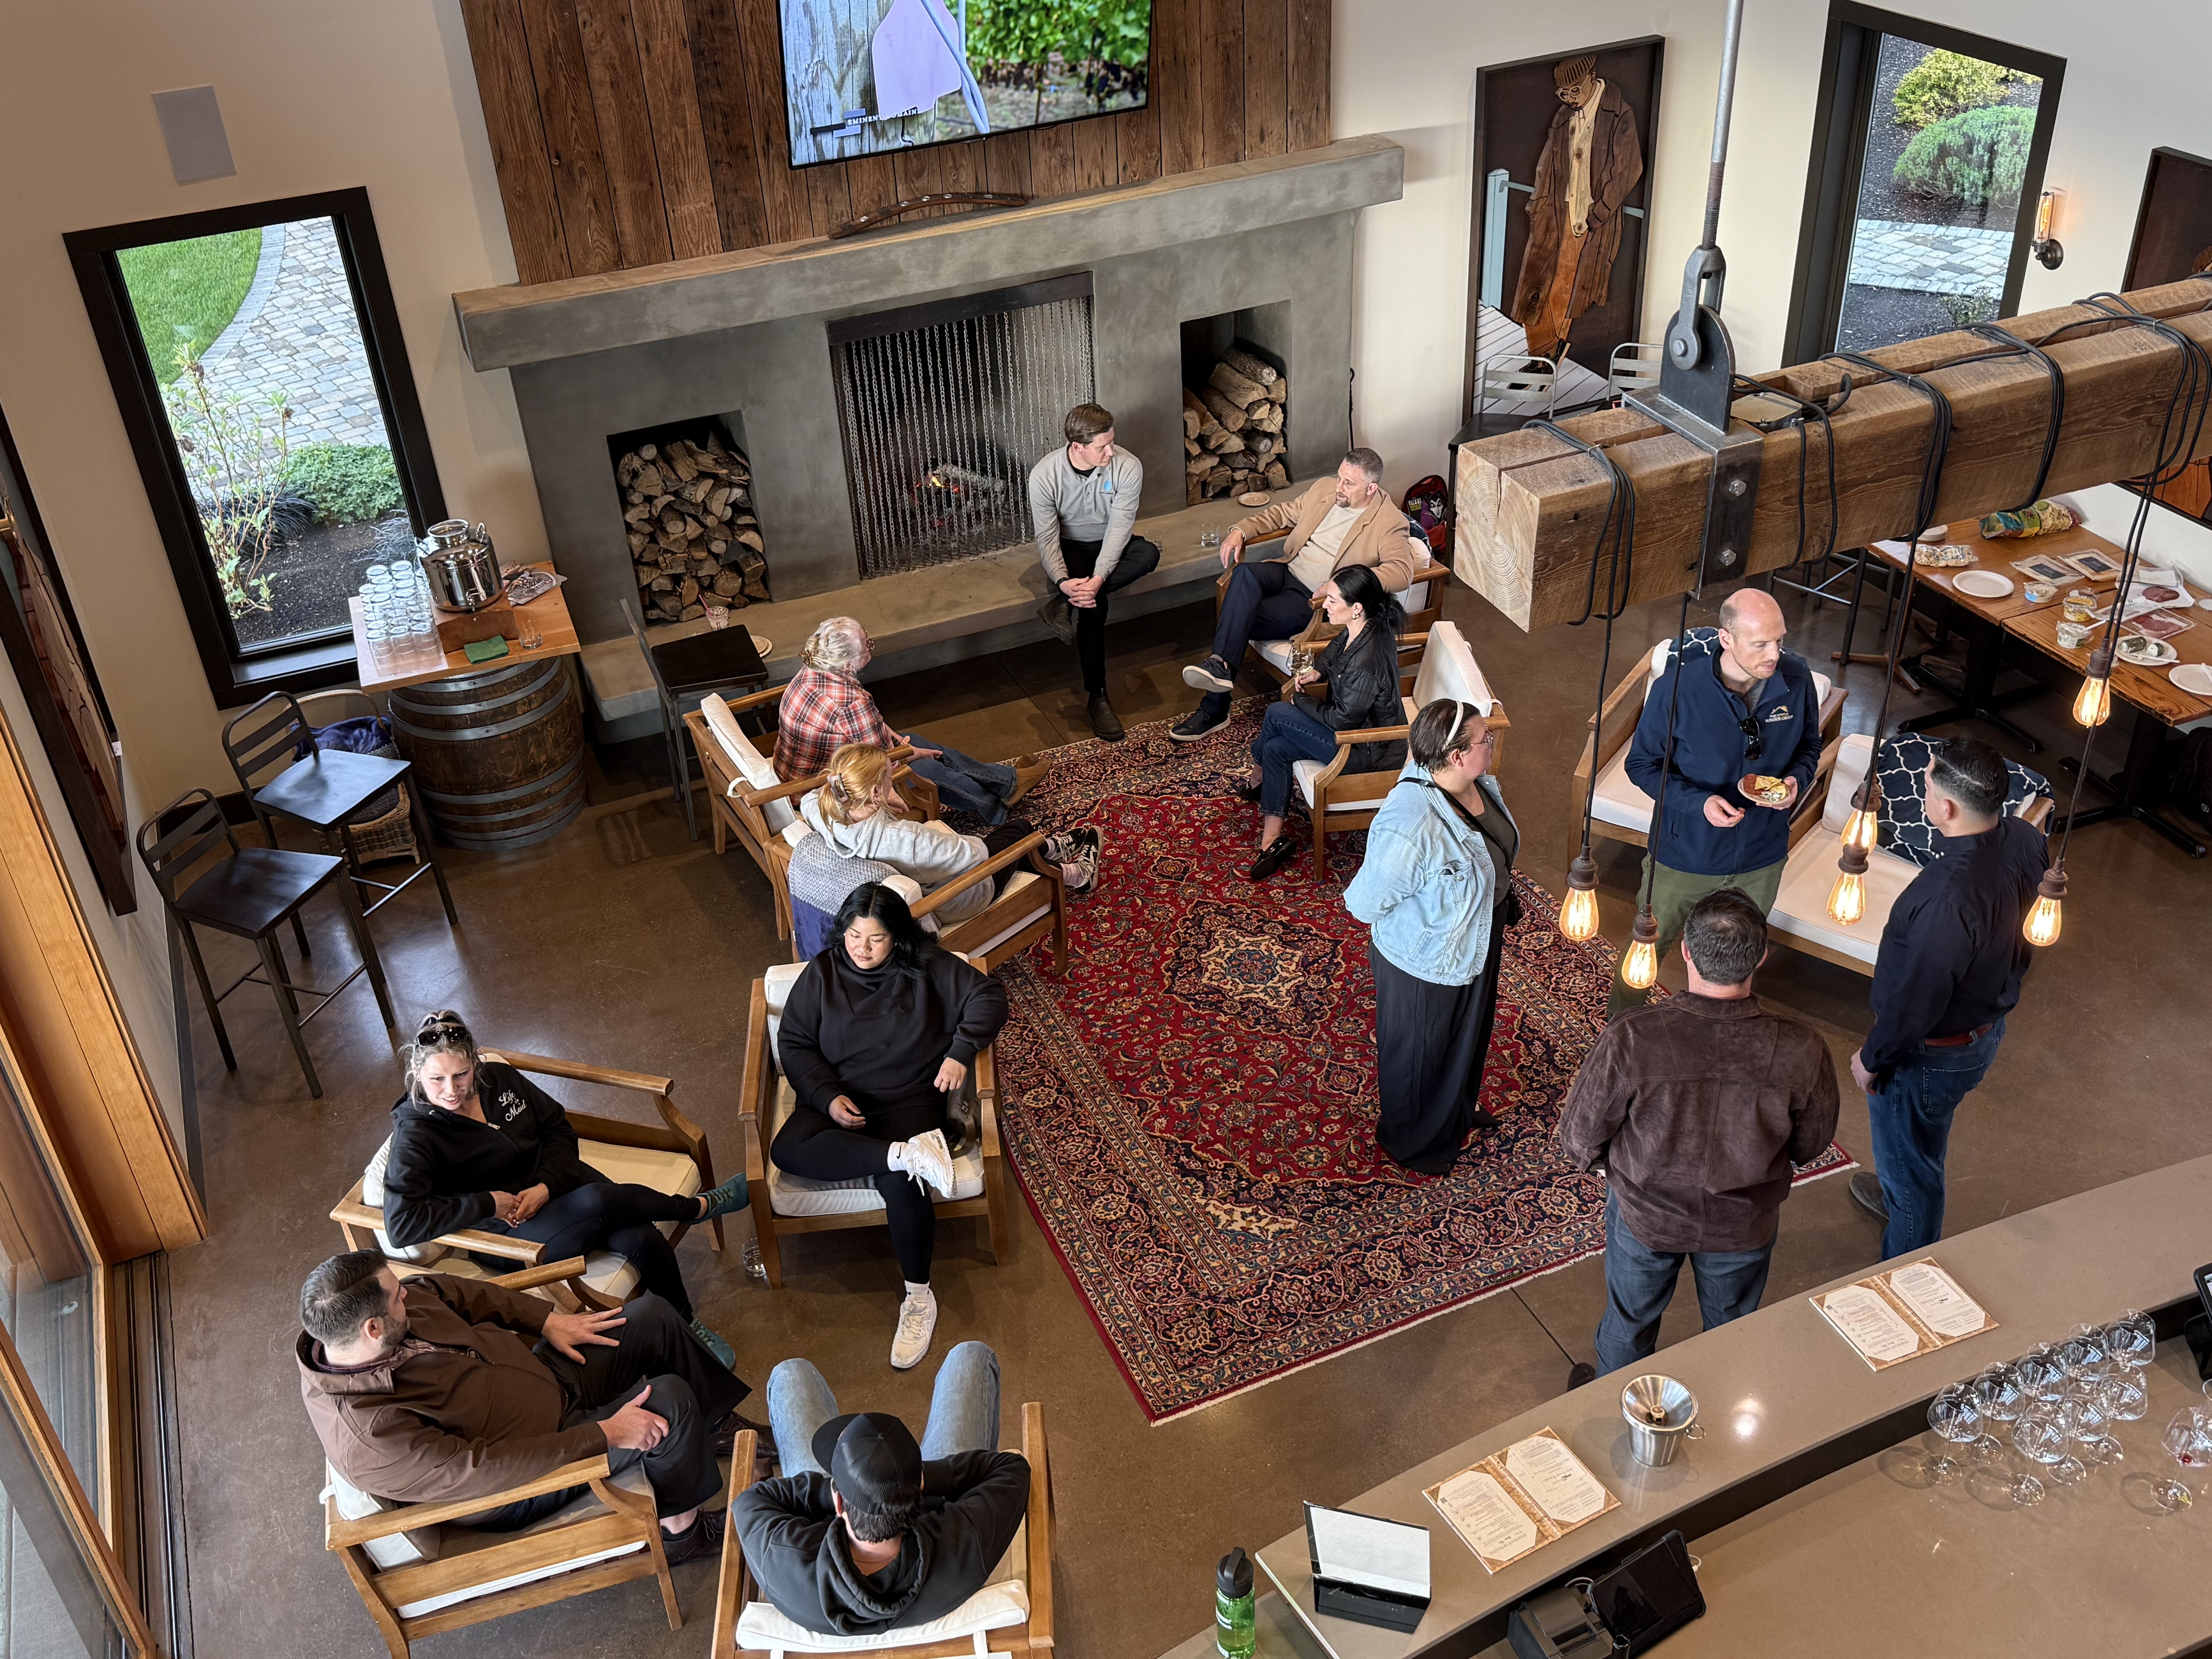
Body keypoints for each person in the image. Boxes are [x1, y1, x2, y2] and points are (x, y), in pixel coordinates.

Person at [297, 1251, 753, 1564]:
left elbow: (457, 1292)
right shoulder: (370, 1435)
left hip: (544, 1383)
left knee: (650, 1315)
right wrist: (606, 1435)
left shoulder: (387, 1320)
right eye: (399, 1296)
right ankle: (683, 1534)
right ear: (373, 1329)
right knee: (667, 1403)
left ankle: (713, 1425)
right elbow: (482, 1470)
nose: (409, 1294)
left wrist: (547, 1320)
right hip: (522, 1477)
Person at [1557, 891, 1839, 1383]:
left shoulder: (1633, 1036)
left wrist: (1614, 1168)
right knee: (1732, 1335)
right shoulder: (1802, 1047)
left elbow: (1579, 1138)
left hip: (1647, 1217)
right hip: (1744, 1223)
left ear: (1685, 951)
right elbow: (1811, 1144)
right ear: (1761, 957)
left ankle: (1612, 1405)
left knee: (1629, 1327)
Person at [381, 1010, 752, 1369]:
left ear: (475, 1064)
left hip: (556, 1185)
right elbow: (401, 1227)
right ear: (417, 1072)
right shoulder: (415, 1138)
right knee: (601, 1199)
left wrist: (546, 1184)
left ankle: (687, 1323)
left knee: (640, 1234)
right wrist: (486, 1203)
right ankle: (696, 1209)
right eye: (437, 1080)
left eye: (461, 1075)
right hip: (513, 1232)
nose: (452, 1091)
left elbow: (557, 1127)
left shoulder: (498, 1080)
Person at [773, 885, 1010, 1368]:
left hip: (907, 1101)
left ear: (897, 938)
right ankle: (901, 1155)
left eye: (875, 939)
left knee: (905, 1191)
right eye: (854, 935)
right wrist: (825, 1096)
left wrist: (961, 1051)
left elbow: (989, 994)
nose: (861, 948)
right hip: (840, 1099)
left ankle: (919, 1296)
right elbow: (795, 1043)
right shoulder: (822, 974)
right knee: (787, 1149)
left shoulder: (926, 965)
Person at [1846, 735, 2046, 1258]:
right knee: (1922, 1141)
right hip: (1980, 1031)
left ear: (1946, 806)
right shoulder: (2026, 838)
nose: (1926, 794)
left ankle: (1905, 1262)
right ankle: (1903, 1193)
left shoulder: (1948, 900)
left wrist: (1872, 1058)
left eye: (1929, 784)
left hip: (1929, 1054)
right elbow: (2030, 935)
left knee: (1911, 1170)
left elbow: (1919, 1001)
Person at [1608, 590, 1822, 1018]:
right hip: (1684, 854)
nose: (1774, 654)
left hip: (1762, 853)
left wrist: (1797, 782)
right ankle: (1618, 1030)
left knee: (1737, 965)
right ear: (1726, 639)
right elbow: (1642, 765)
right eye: (1760, 644)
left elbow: (1810, 747)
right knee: (1647, 950)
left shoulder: (1797, 680)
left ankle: (1718, 1036)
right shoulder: (1676, 690)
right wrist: (1698, 803)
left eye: (1779, 641)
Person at [733, 1343, 1029, 1638]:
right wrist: (923, 1479)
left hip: (858, 1512)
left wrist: (848, 1487)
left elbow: (750, 1502)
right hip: (925, 1534)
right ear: (916, 1497)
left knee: (790, 1373)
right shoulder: (962, 1545)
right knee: (972, 1355)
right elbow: (1013, 1470)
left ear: (838, 1504)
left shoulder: (785, 1561)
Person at [1344, 700, 1519, 1173]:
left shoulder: (1472, 783)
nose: (1493, 743)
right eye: (1486, 740)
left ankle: (1455, 1116)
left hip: (1476, 937)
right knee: (1419, 1056)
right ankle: (1414, 1142)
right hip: (1426, 961)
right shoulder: (1412, 825)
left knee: (1467, 1037)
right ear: (1457, 756)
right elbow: (1363, 904)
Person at [1171, 449, 1422, 743]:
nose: (1339, 487)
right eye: (1340, 477)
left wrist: (1340, 584)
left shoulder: (1389, 521)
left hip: (1313, 600)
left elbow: (1402, 572)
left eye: (1348, 483)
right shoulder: (1325, 490)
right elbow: (1283, 513)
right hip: (1288, 571)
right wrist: (1241, 530)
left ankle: (1214, 705)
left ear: (1371, 488)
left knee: (1238, 616)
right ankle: (1218, 668)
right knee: (1245, 575)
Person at [775, 616, 1048, 824]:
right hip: (825, 792)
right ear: (847, 664)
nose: (871, 646)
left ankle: (1007, 782)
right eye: (867, 645)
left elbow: (873, 732)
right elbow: (884, 762)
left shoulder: (813, 669)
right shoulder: (850, 702)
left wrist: (908, 748)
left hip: (802, 777)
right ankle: (995, 807)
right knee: (923, 768)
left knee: (914, 744)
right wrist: (911, 754)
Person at [1235, 565, 1406, 883]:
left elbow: (1341, 719)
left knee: (1277, 713)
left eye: (1332, 599)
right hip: (1353, 734)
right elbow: (1335, 651)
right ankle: (1271, 842)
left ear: (1356, 608)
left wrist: (1302, 701)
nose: (1324, 603)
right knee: (1275, 747)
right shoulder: (1363, 627)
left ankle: (1258, 774)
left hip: (1366, 752)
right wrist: (1319, 673)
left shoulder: (1366, 662)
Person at [798, 744, 1099, 916]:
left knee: (1016, 840)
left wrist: (884, 797)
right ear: (876, 792)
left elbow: (812, 796)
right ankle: (1075, 873)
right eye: (889, 778)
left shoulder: (827, 814)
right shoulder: (909, 840)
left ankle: (1052, 848)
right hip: (959, 897)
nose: (894, 776)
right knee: (1018, 833)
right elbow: (976, 854)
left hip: (924, 883)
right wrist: (946, 837)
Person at [1027, 403, 1161, 741]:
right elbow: (1046, 536)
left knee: (1147, 554)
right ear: (1078, 447)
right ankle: (1098, 695)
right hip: (1072, 546)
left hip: (1110, 543)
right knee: (1094, 610)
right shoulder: (1045, 475)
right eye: (1103, 446)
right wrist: (1063, 579)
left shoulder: (1128, 467)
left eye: (1112, 442)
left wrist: (1096, 580)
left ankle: (1065, 603)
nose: (1111, 451)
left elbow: (1119, 529)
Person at [1509, 54, 1645, 362]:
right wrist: (1536, 206)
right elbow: (1546, 165)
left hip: (1590, 219)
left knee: (1568, 288)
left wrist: (1599, 213)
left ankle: (1545, 359)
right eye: (1563, 94)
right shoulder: (1563, 118)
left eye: (1575, 91)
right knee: (1537, 284)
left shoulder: (1617, 113)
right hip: (1555, 214)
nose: (1570, 99)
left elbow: (1627, 170)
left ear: (1592, 78)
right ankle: (1541, 356)